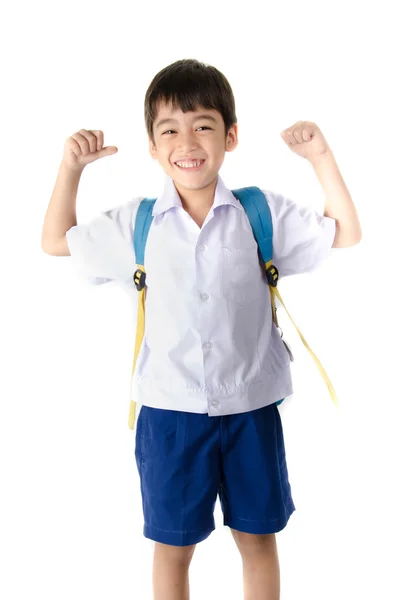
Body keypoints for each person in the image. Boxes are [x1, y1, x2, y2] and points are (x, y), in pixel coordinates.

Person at [41, 58, 361, 600]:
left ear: (230, 135)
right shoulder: (137, 223)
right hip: (170, 414)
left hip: (252, 409)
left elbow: (345, 232)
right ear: (152, 144)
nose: (186, 140)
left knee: (258, 539)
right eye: (169, 128)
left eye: (204, 125)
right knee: (173, 547)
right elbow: (56, 241)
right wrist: (71, 169)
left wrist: (320, 158)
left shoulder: (259, 213)